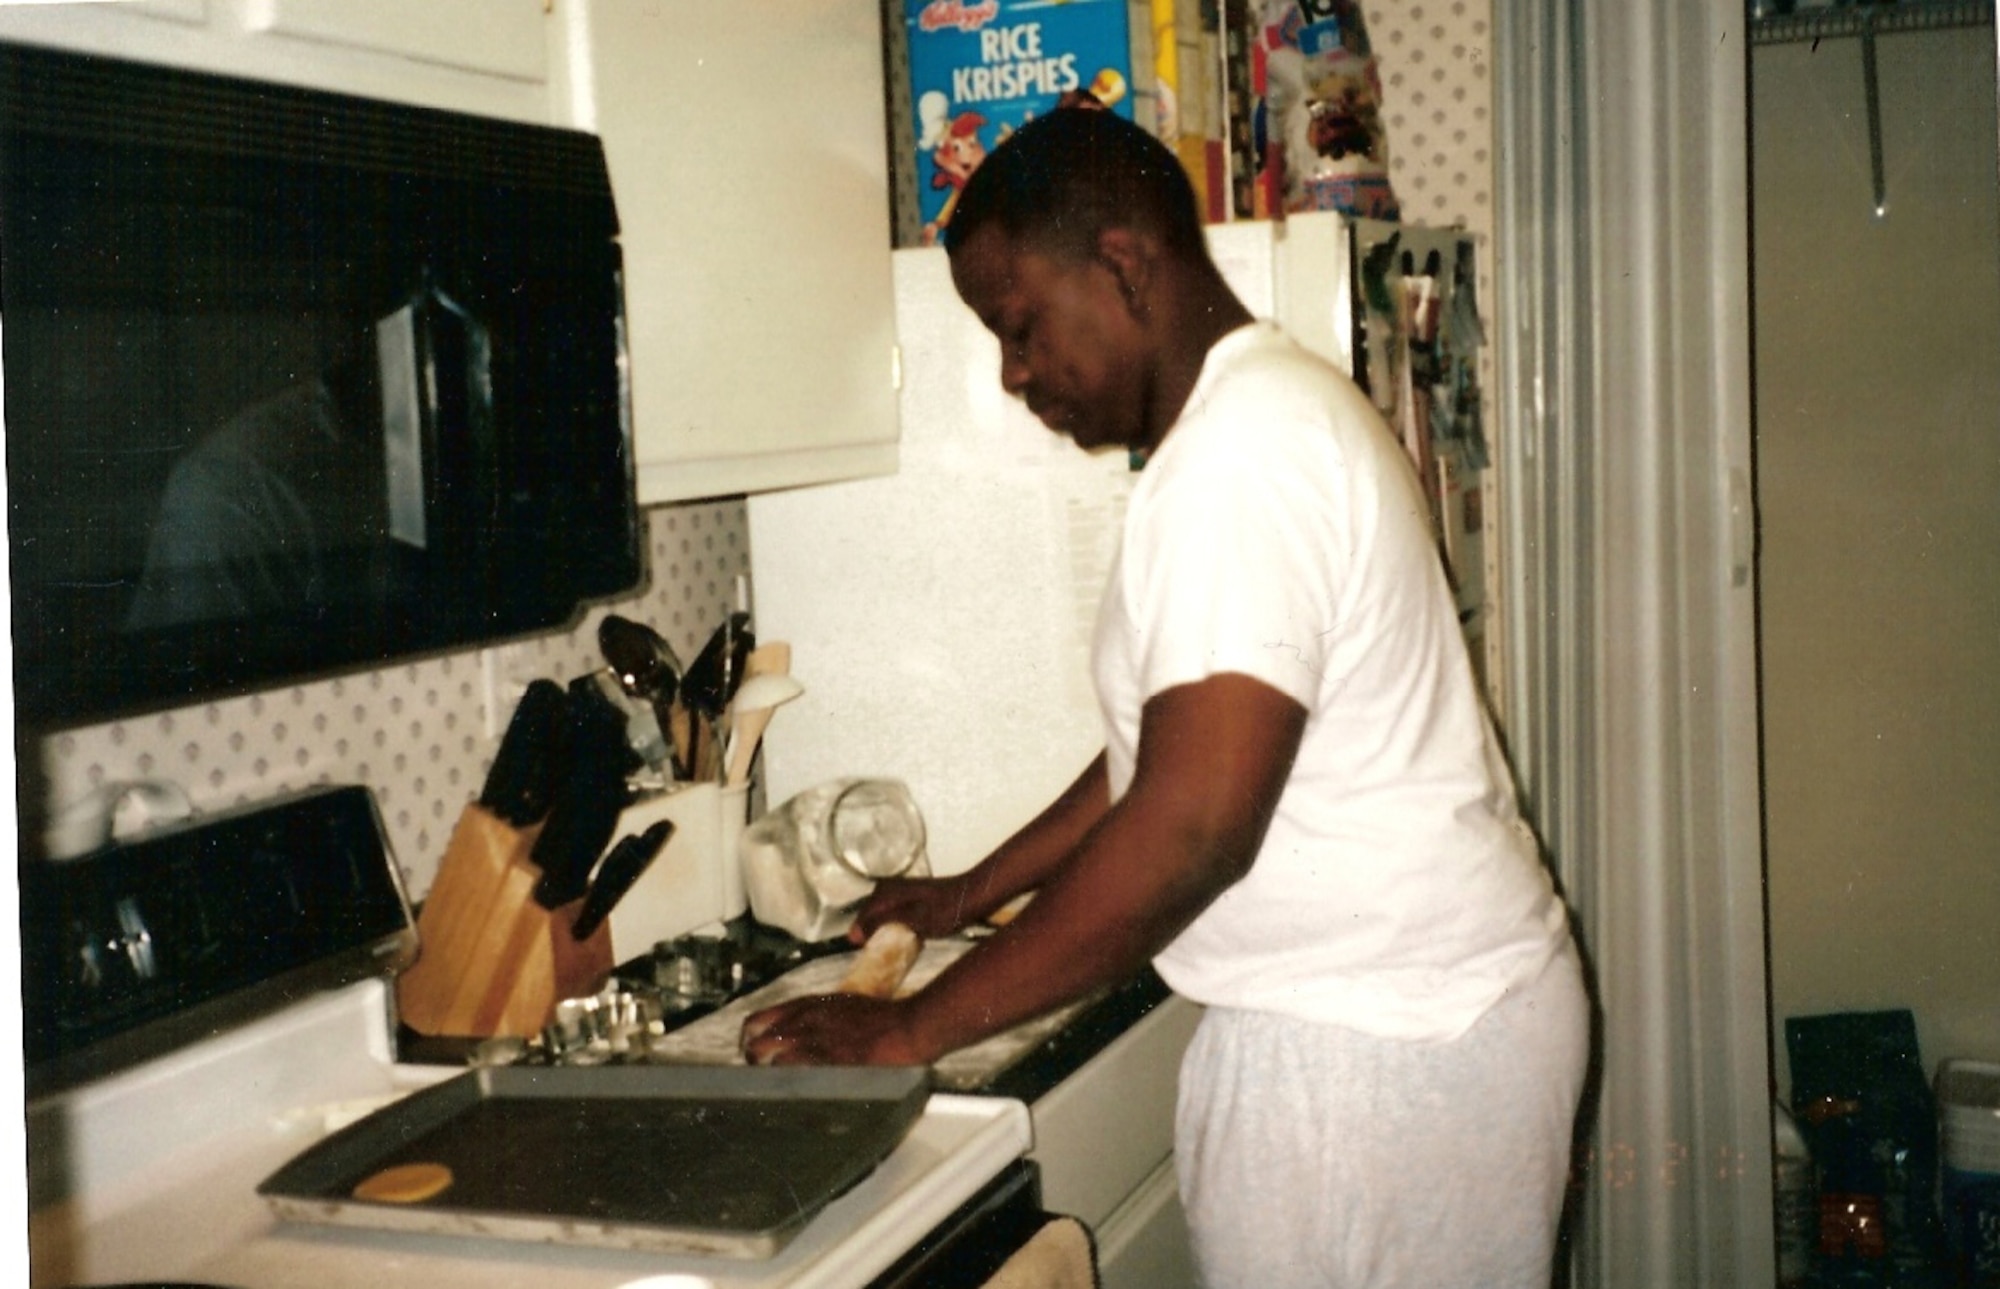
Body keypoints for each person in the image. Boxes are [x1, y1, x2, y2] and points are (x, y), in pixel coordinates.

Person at [742, 107, 1589, 1289]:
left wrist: (909, 1029)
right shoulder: (1259, 415)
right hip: (1401, 1023)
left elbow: (1191, 822)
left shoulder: (1239, 456)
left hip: (1379, 1049)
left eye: (1019, 326)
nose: (1014, 374)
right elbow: (1157, 747)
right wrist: (970, 889)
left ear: (1123, 263)